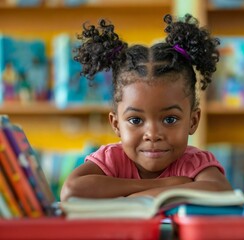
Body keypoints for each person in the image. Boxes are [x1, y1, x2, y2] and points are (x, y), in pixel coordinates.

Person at [60, 13, 232, 201]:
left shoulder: (194, 162)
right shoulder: (112, 158)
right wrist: (163, 185)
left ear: (193, 120)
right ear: (116, 124)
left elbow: (220, 190)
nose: (152, 134)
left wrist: (133, 196)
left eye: (170, 119)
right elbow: (72, 190)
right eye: (135, 120)